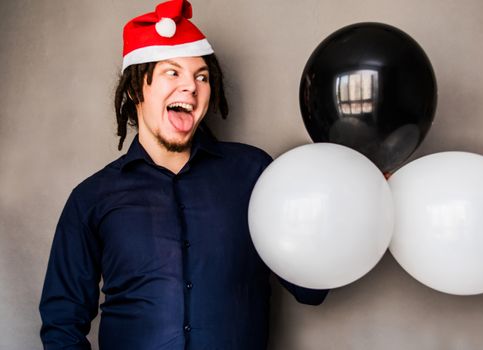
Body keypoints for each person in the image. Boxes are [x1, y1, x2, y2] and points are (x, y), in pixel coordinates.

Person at [39, 1, 328, 349]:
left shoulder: (254, 173)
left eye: (201, 76)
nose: (190, 87)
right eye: (172, 73)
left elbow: (310, 289)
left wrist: (345, 200)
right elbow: (62, 325)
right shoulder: (91, 199)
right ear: (135, 90)